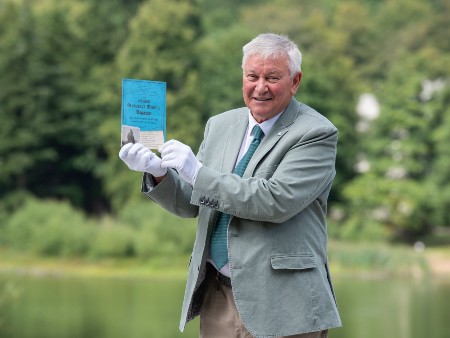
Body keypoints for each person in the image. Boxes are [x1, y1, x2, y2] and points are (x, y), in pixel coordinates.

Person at [119, 33, 342, 338]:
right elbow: (190, 202)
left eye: (272, 77)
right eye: (253, 76)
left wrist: (197, 173)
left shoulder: (316, 132)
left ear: (295, 81)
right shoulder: (220, 125)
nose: (260, 86)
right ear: (243, 77)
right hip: (218, 294)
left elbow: (275, 201)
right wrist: (158, 173)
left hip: (284, 302)